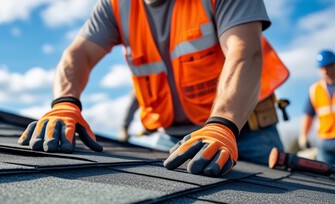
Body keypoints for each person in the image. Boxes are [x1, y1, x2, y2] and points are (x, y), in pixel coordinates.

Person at [18, 0, 289, 177]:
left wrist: (222, 126)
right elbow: (78, 55)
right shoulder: (116, 6)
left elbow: (245, 53)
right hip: (173, 138)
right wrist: (65, 103)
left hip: (246, 134)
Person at [299, 50, 335, 165]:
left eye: (329, 66)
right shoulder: (315, 90)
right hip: (325, 142)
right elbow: (309, 115)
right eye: (322, 68)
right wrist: (304, 135)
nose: (325, 71)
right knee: (325, 178)